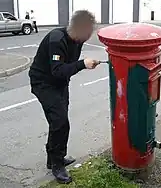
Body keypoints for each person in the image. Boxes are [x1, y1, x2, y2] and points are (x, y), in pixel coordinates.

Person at [28, 10, 100, 184]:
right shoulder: (57, 39)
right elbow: (58, 69)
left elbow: (66, 67)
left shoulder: (78, 40)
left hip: (59, 83)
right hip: (43, 83)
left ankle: (53, 158)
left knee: (58, 122)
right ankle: (57, 165)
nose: (89, 36)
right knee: (60, 123)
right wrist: (82, 64)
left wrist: (79, 65)